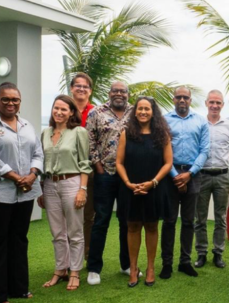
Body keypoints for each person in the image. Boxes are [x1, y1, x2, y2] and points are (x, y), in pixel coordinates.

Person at [0, 82, 43, 303]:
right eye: (5, 99)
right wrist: (14, 176)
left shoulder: (27, 125)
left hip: (25, 192)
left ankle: (19, 288)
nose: (11, 103)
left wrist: (32, 175)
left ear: (20, 102)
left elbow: (38, 153)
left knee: (19, 239)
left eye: (15, 100)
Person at [116, 97, 173, 287]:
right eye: (140, 108)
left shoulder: (162, 134)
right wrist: (128, 183)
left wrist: (153, 182)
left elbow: (168, 163)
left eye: (147, 109)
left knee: (151, 227)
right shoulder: (126, 133)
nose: (143, 112)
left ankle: (150, 268)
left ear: (153, 112)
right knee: (132, 227)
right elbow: (119, 163)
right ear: (135, 111)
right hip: (130, 189)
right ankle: (133, 268)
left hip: (154, 188)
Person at [38, 95, 92, 291]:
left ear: (71, 112)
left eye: (63, 109)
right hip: (50, 185)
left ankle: (75, 271)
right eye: (56, 108)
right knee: (57, 232)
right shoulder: (45, 132)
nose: (59, 112)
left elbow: (85, 163)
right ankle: (61, 269)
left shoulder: (79, 132)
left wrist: (82, 190)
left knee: (75, 231)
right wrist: (42, 189)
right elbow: (42, 163)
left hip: (72, 183)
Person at [86, 81, 135, 285]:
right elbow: (90, 141)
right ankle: (94, 268)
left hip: (128, 176)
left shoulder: (135, 112)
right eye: (115, 91)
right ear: (109, 93)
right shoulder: (96, 112)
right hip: (104, 173)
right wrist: (98, 167)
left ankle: (126, 265)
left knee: (126, 221)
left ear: (127, 94)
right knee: (101, 220)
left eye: (122, 91)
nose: (119, 94)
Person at [161, 86, 210, 279]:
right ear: (174, 99)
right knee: (169, 221)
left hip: (193, 174)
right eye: (179, 97)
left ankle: (185, 262)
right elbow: (162, 148)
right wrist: (175, 175)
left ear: (190, 100)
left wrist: (189, 174)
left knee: (189, 221)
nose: (182, 100)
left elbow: (204, 150)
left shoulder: (200, 121)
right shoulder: (165, 121)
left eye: (186, 97)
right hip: (170, 174)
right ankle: (166, 263)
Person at [194, 90, 229, 269]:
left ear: (223, 105)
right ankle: (201, 253)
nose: (215, 106)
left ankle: (218, 253)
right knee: (200, 218)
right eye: (212, 102)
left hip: (222, 176)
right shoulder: (199, 124)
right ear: (206, 103)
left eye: (218, 103)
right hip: (201, 175)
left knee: (221, 217)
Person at [69, 73, 96, 259]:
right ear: (72, 88)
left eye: (85, 86)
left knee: (89, 215)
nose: (81, 89)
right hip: (68, 170)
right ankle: (69, 256)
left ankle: (86, 254)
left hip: (91, 170)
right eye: (78, 85)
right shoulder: (63, 108)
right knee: (69, 216)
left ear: (90, 91)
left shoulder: (96, 111)